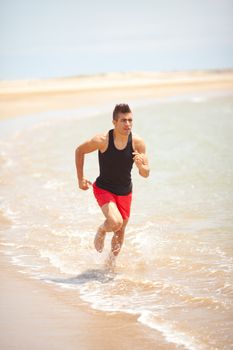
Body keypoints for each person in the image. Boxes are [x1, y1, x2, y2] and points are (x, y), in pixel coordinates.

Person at [75, 103, 149, 259]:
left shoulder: (138, 143)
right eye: (123, 120)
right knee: (116, 222)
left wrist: (141, 166)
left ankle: (110, 265)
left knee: (120, 231)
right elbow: (79, 151)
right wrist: (80, 178)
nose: (127, 124)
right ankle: (102, 230)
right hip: (104, 188)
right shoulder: (102, 140)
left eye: (130, 120)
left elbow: (145, 173)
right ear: (114, 122)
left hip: (125, 191)